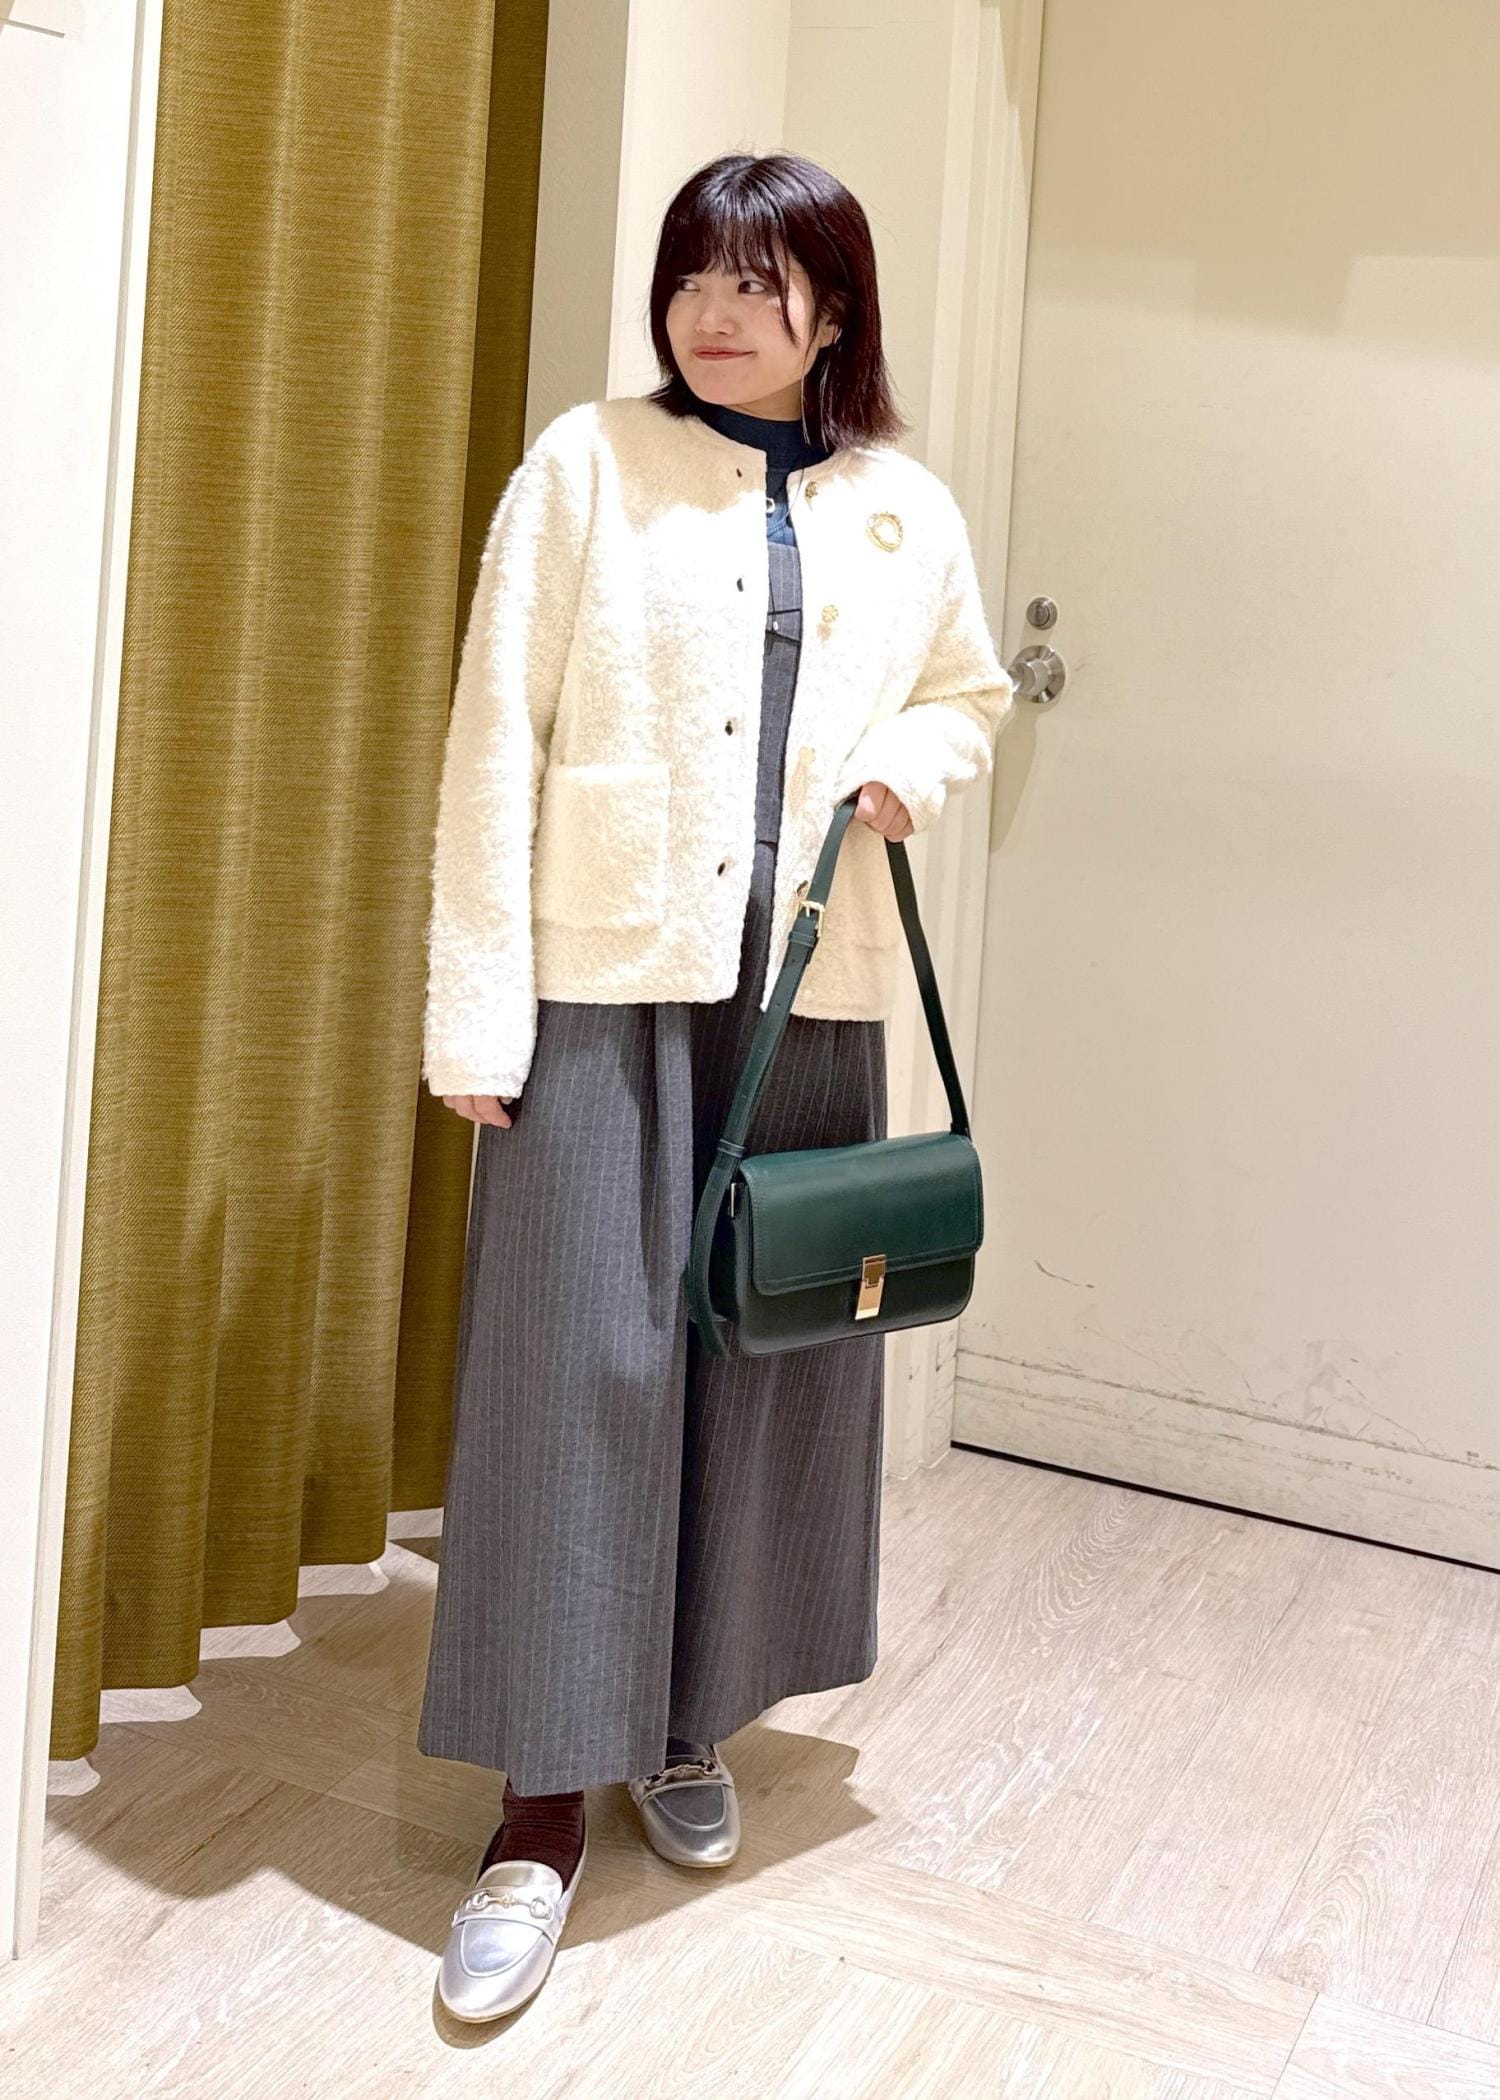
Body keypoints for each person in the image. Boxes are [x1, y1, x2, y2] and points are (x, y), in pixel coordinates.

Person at [417, 149, 1014, 2022]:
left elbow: (971, 693)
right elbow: (494, 736)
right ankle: (536, 1812)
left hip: (807, 999)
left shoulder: (903, 507)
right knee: (574, 1378)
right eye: (694, 277)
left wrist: (913, 762)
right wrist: (477, 1017)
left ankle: (688, 1721)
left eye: (761, 282)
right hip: (604, 986)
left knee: (762, 1373)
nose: (717, 314)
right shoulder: (587, 465)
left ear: (835, 308)